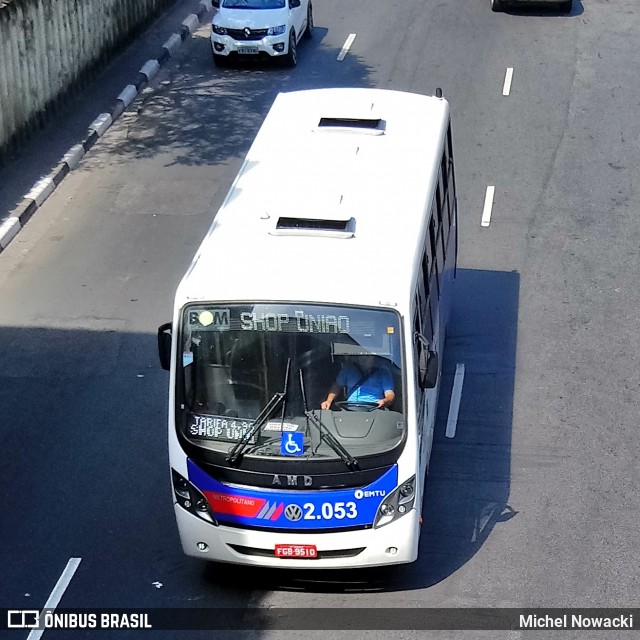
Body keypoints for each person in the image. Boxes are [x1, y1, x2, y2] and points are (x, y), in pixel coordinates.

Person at [320, 355, 395, 410]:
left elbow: (390, 394)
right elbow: (337, 385)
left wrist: (385, 401)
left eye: (366, 356)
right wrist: (328, 401)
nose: (363, 358)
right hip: (350, 408)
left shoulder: (383, 371)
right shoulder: (348, 368)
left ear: (373, 357)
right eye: (361, 356)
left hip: (374, 408)